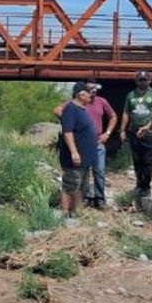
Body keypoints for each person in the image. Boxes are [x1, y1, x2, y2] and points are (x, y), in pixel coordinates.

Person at [53, 83, 100, 216]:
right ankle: (65, 213)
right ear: (81, 95)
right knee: (70, 185)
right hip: (75, 158)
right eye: (89, 92)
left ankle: (76, 212)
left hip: (84, 158)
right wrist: (74, 152)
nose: (92, 95)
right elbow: (68, 131)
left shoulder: (81, 109)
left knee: (80, 187)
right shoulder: (71, 109)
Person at [120, 70, 152, 196]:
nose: (142, 82)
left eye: (145, 80)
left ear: (150, 81)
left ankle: (146, 186)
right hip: (134, 131)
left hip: (149, 133)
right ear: (136, 81)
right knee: (137, 160)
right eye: (140, 80)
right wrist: (122, 130)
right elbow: (126, 112)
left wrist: (148, 127)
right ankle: (139, 185)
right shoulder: (131, 95)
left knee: (148, 160)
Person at [81, 82, 117, 209]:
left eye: (96, 88)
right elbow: (58, 110)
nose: (94, 91)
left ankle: (99, 198)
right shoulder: (78, 102)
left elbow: (113, 116)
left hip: (98, 142)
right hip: (83, 143)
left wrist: (107, 133)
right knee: (84, 171)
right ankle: (86, 197)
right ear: (84, 90)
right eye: (91, 89)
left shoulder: (102, 101)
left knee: (99, 171)